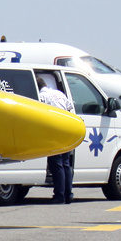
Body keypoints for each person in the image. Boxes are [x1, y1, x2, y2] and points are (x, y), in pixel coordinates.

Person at [38, 75, 76, 203]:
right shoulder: (59, 93)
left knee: (56, 163)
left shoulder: (41, 97)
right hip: (66, 128)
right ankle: (68, 194)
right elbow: (71, 110)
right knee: (66, 163)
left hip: (54, 131)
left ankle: (59, 196)